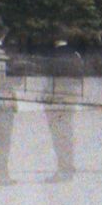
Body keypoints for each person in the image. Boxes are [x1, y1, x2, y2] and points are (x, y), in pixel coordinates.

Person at [43, 40, 84, 182]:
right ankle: (69, 167)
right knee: (67, 133)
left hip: (57, 101)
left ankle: (63, 170)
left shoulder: (53, 56)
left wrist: (45, 99)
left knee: (58, 136)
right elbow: (79, 81)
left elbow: (50, 82)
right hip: (70, 100)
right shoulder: (76, 56)